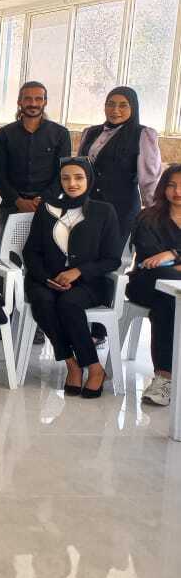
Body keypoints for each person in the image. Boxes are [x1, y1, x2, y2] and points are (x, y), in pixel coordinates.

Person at [22, 158, 122, 399]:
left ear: (89, 179)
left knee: (68, 303)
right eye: (65, 178)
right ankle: (72, 364)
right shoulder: (47, 209)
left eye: (78, 177)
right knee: (43, 301)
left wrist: (78, 272)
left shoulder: (104, 211)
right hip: (46, 279)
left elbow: (112, 260)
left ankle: (95, 368)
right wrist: (47, 278)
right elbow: (31, 252)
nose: (72, 183)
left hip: (88, 282)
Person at [78, 85, 162, 244]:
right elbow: (79, 170)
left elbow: (149, 180)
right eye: (110, 104)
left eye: (123, 105)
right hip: (88, 206)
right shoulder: (90, 132)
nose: (115, 110)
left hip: (121, 209)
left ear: (133, 108)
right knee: (86, 250)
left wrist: (155, 214)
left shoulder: (143, 135)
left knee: (111, 253)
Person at [127, 165, 181, 407]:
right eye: (172, 185)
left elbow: (165, 261)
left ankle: (165, 375)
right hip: (145, 282)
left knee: (168, 299)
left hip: (171, 289)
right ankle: (164, 378)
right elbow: (151, 262)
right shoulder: (148, 217)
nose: (177, 191)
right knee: (167, 294)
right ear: (163, 188)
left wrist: (172, 253)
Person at [0, 81, 71, 233]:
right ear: (19, 101)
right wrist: (18, 201)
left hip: (49, 207)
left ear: (45, 102)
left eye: (38, 99)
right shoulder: (3, 135)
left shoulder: (61, 134)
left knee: (45, 248)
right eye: (28, 98)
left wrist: (43, 200)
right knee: (9, 248)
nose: (33, 104)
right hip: (12, 206)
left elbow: (63, 173)